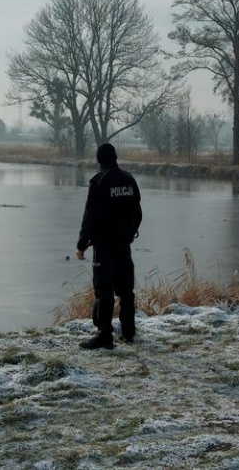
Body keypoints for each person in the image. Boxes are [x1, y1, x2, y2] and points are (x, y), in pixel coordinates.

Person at [76, 142, 142, 349]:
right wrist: (129, 234)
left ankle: (105, 335)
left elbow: (90, 216)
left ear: (99, 159)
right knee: (125, 290)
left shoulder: (99, 181)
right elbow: (137, 213)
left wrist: (81, 244)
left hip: (103, 246)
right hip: (123, 244)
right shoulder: (129, 180)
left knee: (104, 291)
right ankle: (129, 332)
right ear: (115, 157)